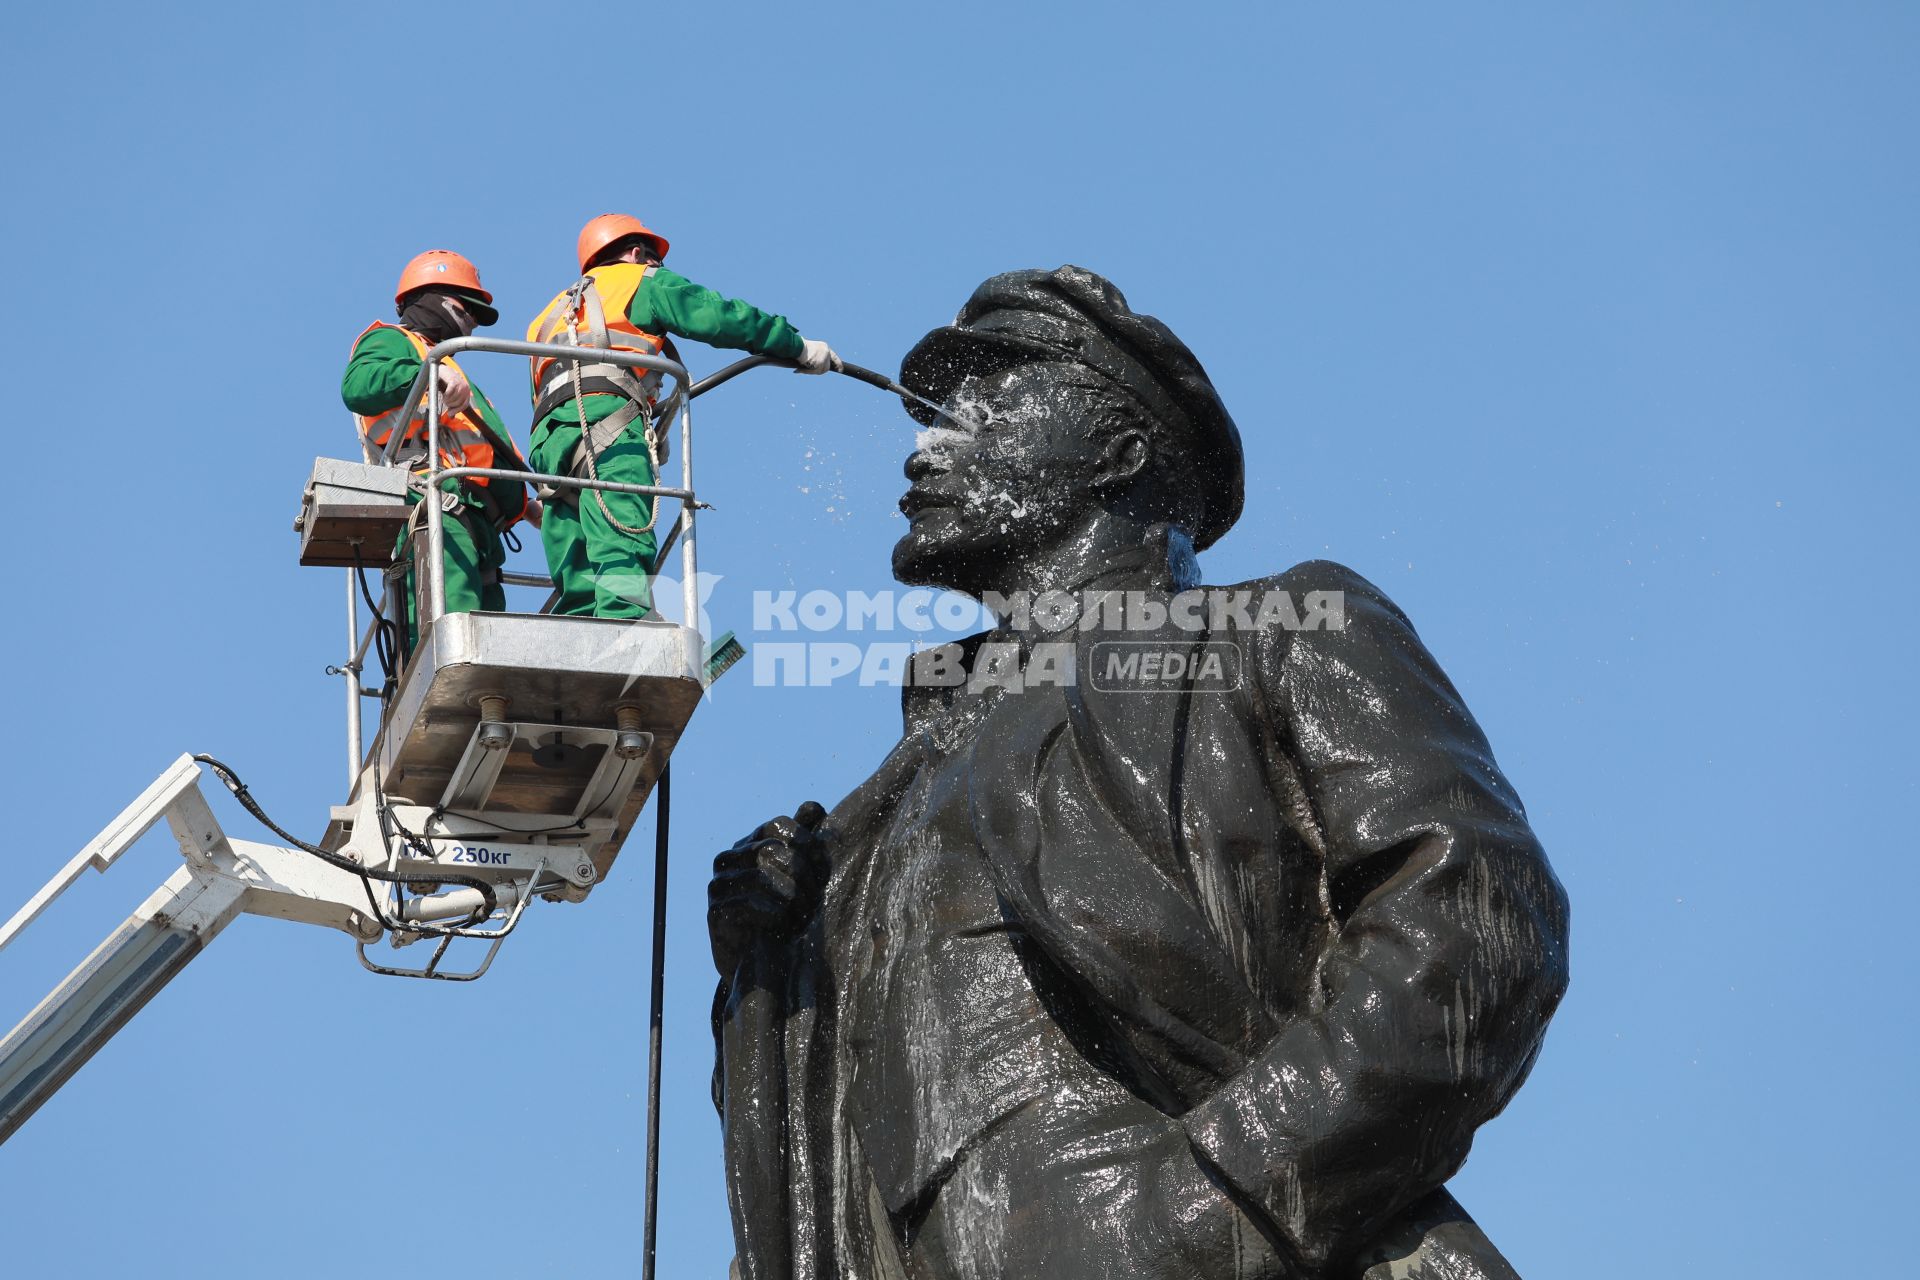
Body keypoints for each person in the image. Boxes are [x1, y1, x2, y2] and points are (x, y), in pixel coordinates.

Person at [707, 267, 1570, 1279]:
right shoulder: (902, 774)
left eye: (986, 404)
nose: (928, 444)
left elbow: (1474, 924)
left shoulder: (1280, 634)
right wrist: (773, 961)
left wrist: (1223, 1196)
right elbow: (836, 1142)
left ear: (1117, 451)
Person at [526, 214, 839, 619]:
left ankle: (577, 634)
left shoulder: (549, 315)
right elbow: (717, 315)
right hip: (608, 420)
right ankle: (626, 624)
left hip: (549, 438)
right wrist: (795, 345)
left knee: (575, 547)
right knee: (621, 524)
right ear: (638, 253)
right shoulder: (640, 280)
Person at [342, 249, 535, 650]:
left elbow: (483, 448)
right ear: (433, 298)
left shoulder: (449, 368)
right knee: (454, 624)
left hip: (476, 517)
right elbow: (358, 386)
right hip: (433, 500)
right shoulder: (397, 343)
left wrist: (525, 505)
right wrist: (430, 371)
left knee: (488, 636)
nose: (471, 323)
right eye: (467, 309)